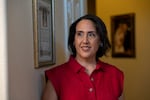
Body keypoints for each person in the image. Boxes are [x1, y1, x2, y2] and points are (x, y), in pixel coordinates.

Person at [42, 14, 124, 100]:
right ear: (74, 40)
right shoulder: (56, 76)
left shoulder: (115, 75)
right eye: (80, 34)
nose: (85, 41)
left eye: (91, 35)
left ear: (100, 41)